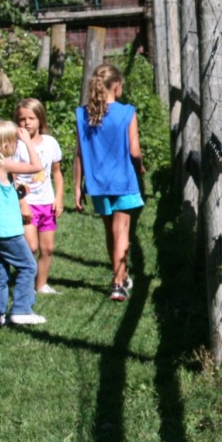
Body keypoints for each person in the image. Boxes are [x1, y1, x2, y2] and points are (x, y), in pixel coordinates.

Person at [75, 64, 144, 302]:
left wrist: (77, 186)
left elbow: (79, 154)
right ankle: (117, 283)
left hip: (96, 183)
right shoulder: (127, 112)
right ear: (116, 85)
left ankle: (121, 276)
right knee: (122, 230)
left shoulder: (83, 114)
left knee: (110, 231)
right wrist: (141, 167)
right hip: (123, 179)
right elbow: (134, 151)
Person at [0, 120, 45, 327]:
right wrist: (27, 142)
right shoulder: (2, 164)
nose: (16, 144)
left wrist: (14, 193)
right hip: (7, 230)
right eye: (14, 141)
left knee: (0, 273)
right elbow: (36, 166)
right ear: (5, 144)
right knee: (28, 266)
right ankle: (22, 310)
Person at [13, 98, 63, 295]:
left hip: (47, 203)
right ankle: (20, 280)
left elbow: (57, 173)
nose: (26, 123)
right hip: (28, 202)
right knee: (30, 246)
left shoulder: (50, 143)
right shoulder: (15, 145)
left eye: (31, 118)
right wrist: (22, 203)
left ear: (40, 119)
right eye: (22, 119)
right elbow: (13, 178)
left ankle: (41, 285)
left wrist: (58, 198)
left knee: (47, 248)